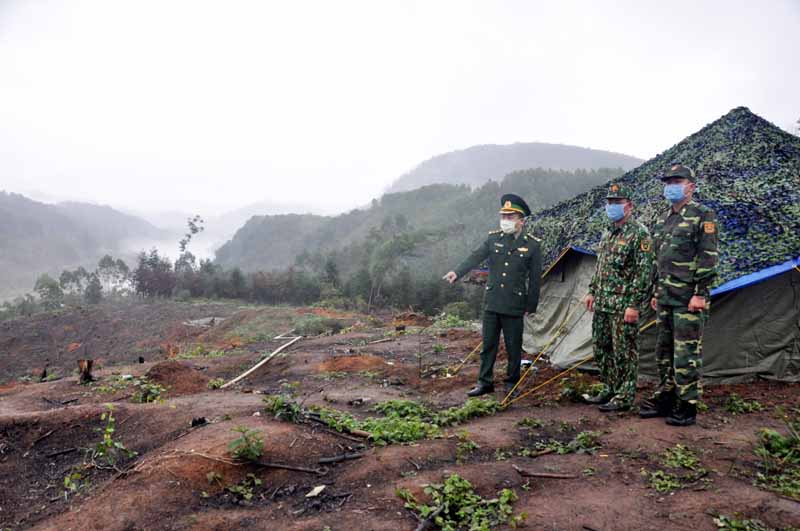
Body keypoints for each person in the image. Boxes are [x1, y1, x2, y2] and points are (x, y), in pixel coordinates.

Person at [639, 164, 718, 426]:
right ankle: (666, 396)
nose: (671, 185)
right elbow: (658, 259)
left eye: (677, 181)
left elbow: (708, 258)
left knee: (686, 355)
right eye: (668, 181)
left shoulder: (703, 215)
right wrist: (655, 291)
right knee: (663, 352)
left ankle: (687, 405)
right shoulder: (663, 219)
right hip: (665, 297)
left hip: (688, 299)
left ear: (691, 186)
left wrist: (701, 293)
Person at [443, 194, 542, 397]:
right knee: (488, 345)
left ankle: (511, 383)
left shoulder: (532, 245)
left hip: (515, 303)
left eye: (510, 216)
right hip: (492, 301)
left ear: (521, 221)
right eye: (503, 216)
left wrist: (531, 306)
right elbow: (475, 256)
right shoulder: (493, 238)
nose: (505, 220)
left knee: (514, 347)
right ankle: (484, 382)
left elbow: (535, 279)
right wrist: (457, 272)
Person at [584, 183, 653, 412]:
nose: (612, 206)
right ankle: (609, 388)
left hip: (623, 305)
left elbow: (643, 273)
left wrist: (634, 305)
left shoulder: (639, 233)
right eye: (610, 202)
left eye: (617, 202)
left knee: (624, 350)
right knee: (602, 348)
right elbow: (601, 266)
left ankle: (624, 395)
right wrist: (592, 290)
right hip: (603, 302)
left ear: (629, 206)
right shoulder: (608, 232)